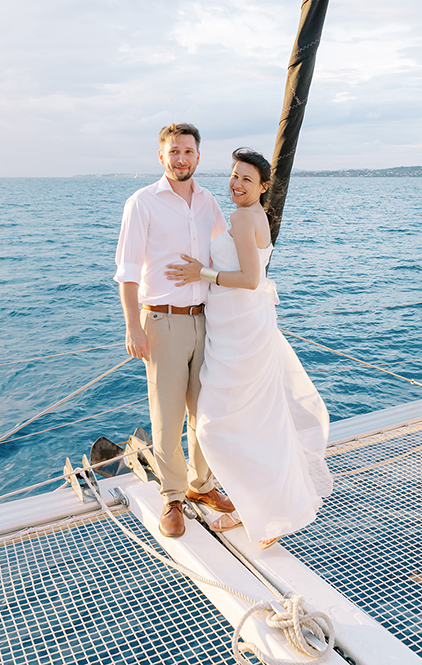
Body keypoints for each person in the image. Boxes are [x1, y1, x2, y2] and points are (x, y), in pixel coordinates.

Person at [166, 148, 333, 551]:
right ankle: (257, 508)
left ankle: (265, 508)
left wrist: (199, 272)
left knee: (214, 424)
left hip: (240, 331)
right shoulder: (253, 217)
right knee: (252, 422)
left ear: (263, 187)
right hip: (234, 327)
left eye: (246, 179)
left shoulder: (244, 218)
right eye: (234, 176)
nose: (237, 184)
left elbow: (250, 279)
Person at [114, 123, 235, 539]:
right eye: (174, 151)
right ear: (161, 157)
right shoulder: (141, 202)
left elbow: (226, 253)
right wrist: (134, 326)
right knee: (167, 418)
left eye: (188, 151)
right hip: (162, 321)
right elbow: (127, 274)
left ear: (198, 157)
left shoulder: (208, 202)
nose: (181, 158)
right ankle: (172, 497)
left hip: (207, 319)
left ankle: (202, 486)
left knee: (207, 412)